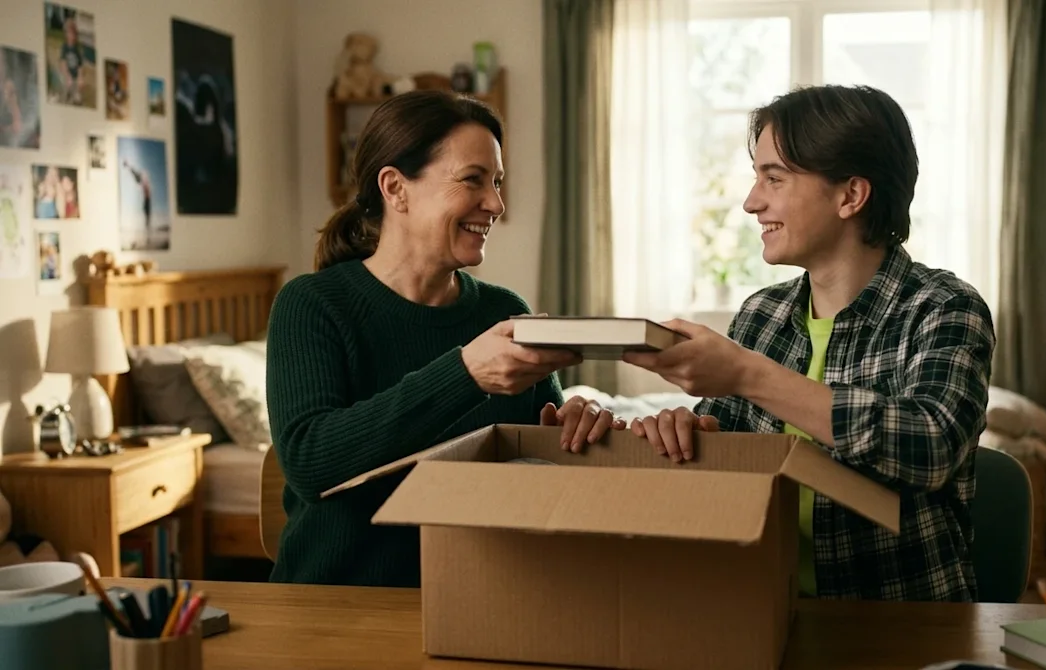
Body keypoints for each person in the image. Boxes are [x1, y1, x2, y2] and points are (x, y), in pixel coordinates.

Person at [624, 84, 996, 602]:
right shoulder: (761, 315)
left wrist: (747, 373)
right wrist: (682, 432)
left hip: (904, 628)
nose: (752, 202)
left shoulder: (944, 308)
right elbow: (721, 452)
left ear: (850, 195)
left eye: (773, 178)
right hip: (762, 617)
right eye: (756, 178)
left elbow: (929, 446)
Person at [265, 90, 623, 589]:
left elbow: (536, 452)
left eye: (497, 182)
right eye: (473, 180)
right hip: (336, 605)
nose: (496, 203)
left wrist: (573, 428)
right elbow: (311, 464)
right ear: (395, 188)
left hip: (478, 600)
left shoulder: (504, 311)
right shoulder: (312, 305)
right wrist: (465, 374)